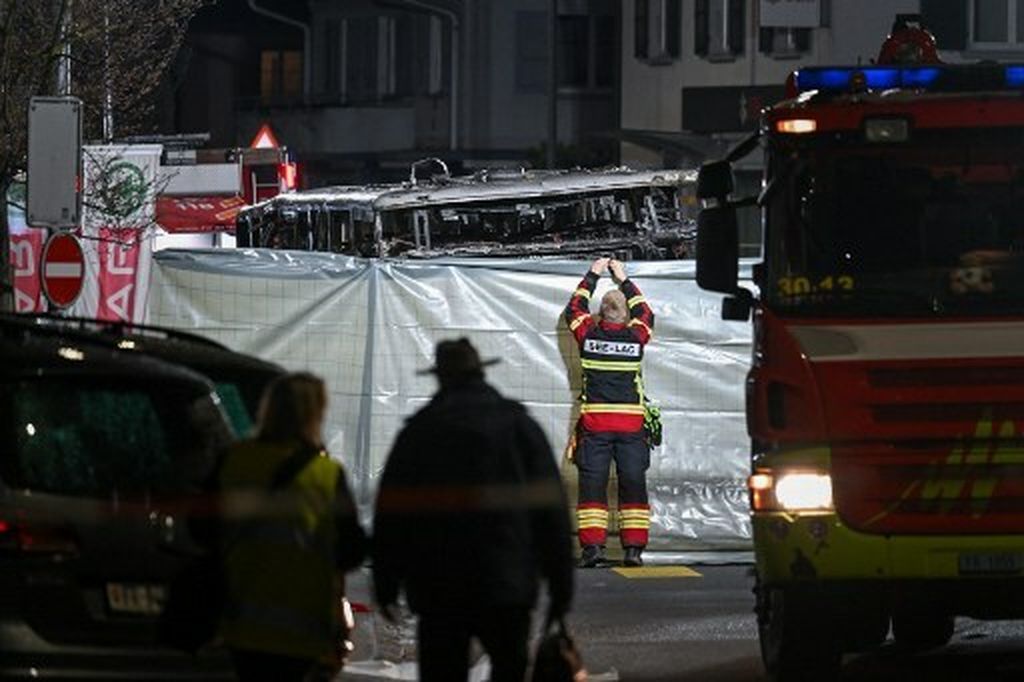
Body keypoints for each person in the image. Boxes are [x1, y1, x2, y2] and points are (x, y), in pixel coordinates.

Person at [373, 338, 574, 682]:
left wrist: (386, 581)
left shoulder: (421, 429)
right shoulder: (517, 425)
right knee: (509, 669)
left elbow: (392, 512)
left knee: (442, 671)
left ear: (440, 377)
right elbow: (550, 507)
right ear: (481, 372)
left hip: (439, 584)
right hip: (506, 581)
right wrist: (561, 582)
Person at [216, 372, 368, 682]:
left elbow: (201, 529)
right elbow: (352, 550)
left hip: (239, 621)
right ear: (315, 414)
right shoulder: (325, 474)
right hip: (303, 627)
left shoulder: (234, 460)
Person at [565, 257, 656, 568]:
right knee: (633, 483)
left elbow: (574, 309)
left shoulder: (588, 337)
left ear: (599, 315)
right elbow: (646, 312)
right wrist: (624, 279)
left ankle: (593, 550)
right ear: (627, 317)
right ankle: (633, 551)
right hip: (631, 428)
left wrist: (593, 274)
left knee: (593, 485)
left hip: (596, 426)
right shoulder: (637, 336)